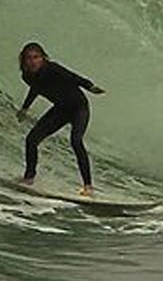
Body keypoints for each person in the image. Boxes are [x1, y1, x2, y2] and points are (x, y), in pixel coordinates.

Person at [16, 42, 105, 196]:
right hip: (61, 110)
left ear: (43, 58)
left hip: (78, 108)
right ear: (23, 60)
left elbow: (73, 77)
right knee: (31, 139)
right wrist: (25, 108)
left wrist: (90, 87)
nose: (32, 61)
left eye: (36, 57)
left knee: (76, 141)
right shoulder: (27, 76)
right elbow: (35, 89)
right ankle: (29, 178)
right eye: (28, 58)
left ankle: (88, 187)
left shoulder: (53, 69)